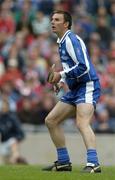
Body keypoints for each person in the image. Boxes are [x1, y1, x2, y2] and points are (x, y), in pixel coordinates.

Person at [42, 10, 101, 173]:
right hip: (76, 88)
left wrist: (60, 74)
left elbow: (84, 67)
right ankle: (63, 162)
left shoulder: (71, 40)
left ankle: (93, 163)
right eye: (52, 19)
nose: (52, 22)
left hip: (88, 85)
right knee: (51, 121)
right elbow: (71, 67)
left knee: (82, 122)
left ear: (66, 24)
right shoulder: (61, 40)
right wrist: (61, 81)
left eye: (57, 20)